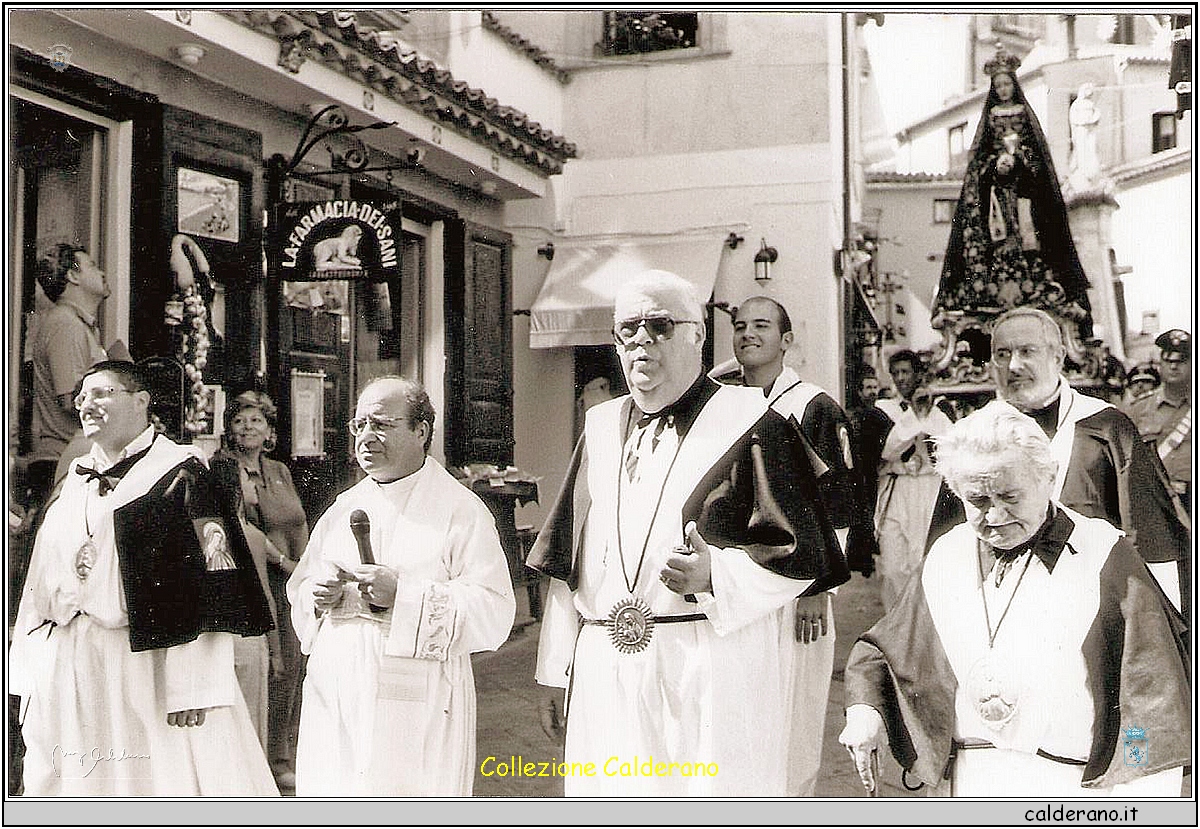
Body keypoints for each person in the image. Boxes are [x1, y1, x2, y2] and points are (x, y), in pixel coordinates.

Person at [529, 270, 844, 796]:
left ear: (697, 335)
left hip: (709, 661)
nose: (641, 341)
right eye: (627, 329)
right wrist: (554, 671)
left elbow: (802, 553)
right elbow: (570, 560)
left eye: (659, 325)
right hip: (608, 660)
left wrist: (716, 572)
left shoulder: (753, 422)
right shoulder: (601, 427)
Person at [839, 401, 1189, 798]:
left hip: (1070, 792)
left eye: (1009, 496)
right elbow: (888, 650)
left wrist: (1139, 799)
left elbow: (1149, 698)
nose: (994, 516)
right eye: (978, 501)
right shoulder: (948, 553)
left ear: (1049, 476)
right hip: (971, 783)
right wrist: (865, 713)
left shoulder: (1103, 553)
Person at [10, 360, 277, 796]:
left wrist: (195, 684)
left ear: (141, 402)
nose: (86, 404)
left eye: (102, 394)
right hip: (73, 666)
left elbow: (214, 579)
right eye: (81, 397)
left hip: (148, 665)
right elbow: (37, 585)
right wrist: (26, 673)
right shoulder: (73, 480)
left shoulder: (181, 472)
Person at [286, 377, 515, 796]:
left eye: (381, 424)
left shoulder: (460, 510)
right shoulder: (342, 508)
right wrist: (319, 597)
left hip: (416, 700)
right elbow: (302, 589)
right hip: (336, 692)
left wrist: (404, 596)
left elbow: (495, 610)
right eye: (359, 425)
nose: (366, 438)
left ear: (421, 431)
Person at [929, 308, 1190, 617]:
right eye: (1002, 353)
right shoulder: (972, 436)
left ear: (1058, 356)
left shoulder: (1105, 427)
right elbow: (945, 546)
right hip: (1002, 605)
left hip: (1091, 604)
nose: (1014, 365)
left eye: (1027, 351)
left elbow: (1151, 538)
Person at [711, 295, 867, 796]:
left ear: (787, 340)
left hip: (799, 589)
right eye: (740, 325)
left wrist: (817, 588)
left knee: (793, 715)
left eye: (762, 325)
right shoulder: (722, 401)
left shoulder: (813, 407)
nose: (748, 334)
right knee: (743, 715)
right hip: (738, 581)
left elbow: (839, 504)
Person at [933, 49, 1091, 336]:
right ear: (993, 88)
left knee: (1030, 229)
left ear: (1014, 86)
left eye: (1007, 84)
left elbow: (1039, 160)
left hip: (1024, 193)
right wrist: (996, 164)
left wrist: (1020, 158)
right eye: (999, 85)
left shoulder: (1026, 118)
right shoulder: (989, 118)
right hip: (996, 194)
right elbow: (979, 160)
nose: (1003, 90)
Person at [211, 391, 308, 787]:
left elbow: (297, 520)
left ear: (269, 430)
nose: (248, 427)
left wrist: (306, 567)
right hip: (260, 577)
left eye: (256, 421)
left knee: (294, 665)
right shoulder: (226, 470)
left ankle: (283, 751)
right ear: (230, 430)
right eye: (240, 421)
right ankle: (265, 758)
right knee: (272, 664)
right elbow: (243, 530)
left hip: (292, 579)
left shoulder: (279, 470)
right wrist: (284, 563)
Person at [868, 350, 954, 612]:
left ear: (918, 374)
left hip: (929, 488)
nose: (901, 378)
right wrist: (915, 416)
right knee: (893, 566)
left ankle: (925, 626)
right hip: (897, 487)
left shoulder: (941, 407)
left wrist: (927, 413)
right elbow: (887, 450)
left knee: (924, 559)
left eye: (907, 372)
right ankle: (894, 625)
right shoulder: (884, 410)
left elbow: (950, 444)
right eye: (896, 373)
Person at [27, 245, 112, 510]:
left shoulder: (79, 325)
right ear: (73, 277)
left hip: (73, 459)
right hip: (62, 464)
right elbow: (71, 399)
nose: (102, 272)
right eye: (93, 266)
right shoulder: (66, 323)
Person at [1127, 329, 1192, 516]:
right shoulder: (1138, 410)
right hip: (1154, 502)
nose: (1173, 366)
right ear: (1160, 365)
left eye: (1181, 361)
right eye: (1168, 360)